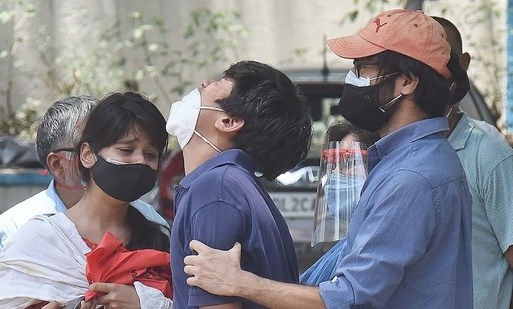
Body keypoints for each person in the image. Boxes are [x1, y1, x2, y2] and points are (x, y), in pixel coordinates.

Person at [183, 9, 473, 308]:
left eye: (363, 68)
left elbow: (351, 297)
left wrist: (241, 283)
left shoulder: (412, 177)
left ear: (407, 82)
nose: (353, 78)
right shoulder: (419, 159)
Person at [0, 96, 169, 309]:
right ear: (87, 154)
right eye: (126, 150)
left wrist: (148, 303)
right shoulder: (37, 239)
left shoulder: (158, 234)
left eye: (150, 155)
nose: (140, 161)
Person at [167, 60, 312, 308]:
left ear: (228, 122)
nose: (205, 83)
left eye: (219, 83)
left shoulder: (216, 189)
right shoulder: (233, 185)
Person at [433, 15, 513, 309]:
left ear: (461, 65)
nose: (436, 72)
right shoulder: (391, 155)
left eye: (444, 60)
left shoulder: (488, 154)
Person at [300, 122, 375, 286]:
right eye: (335, 164)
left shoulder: (375, 244)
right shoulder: (351, 244)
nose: (336, 173)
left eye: (351, 162)